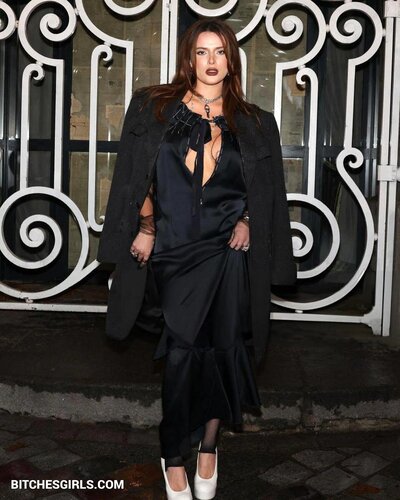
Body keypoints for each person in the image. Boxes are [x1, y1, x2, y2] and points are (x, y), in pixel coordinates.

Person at [98, 18, 296, 500]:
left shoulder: (256, 121)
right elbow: (135, 176)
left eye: (220, 51)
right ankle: (172, 454)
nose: (211, 61)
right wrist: (147, 227)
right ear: (189, 58)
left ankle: (208, 448)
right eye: (202, 51)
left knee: (223, 350)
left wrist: (247, 220)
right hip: (173, 249)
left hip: (227, 253)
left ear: (232, 60)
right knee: (182, 355)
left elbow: (264, 191)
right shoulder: (152, 106)